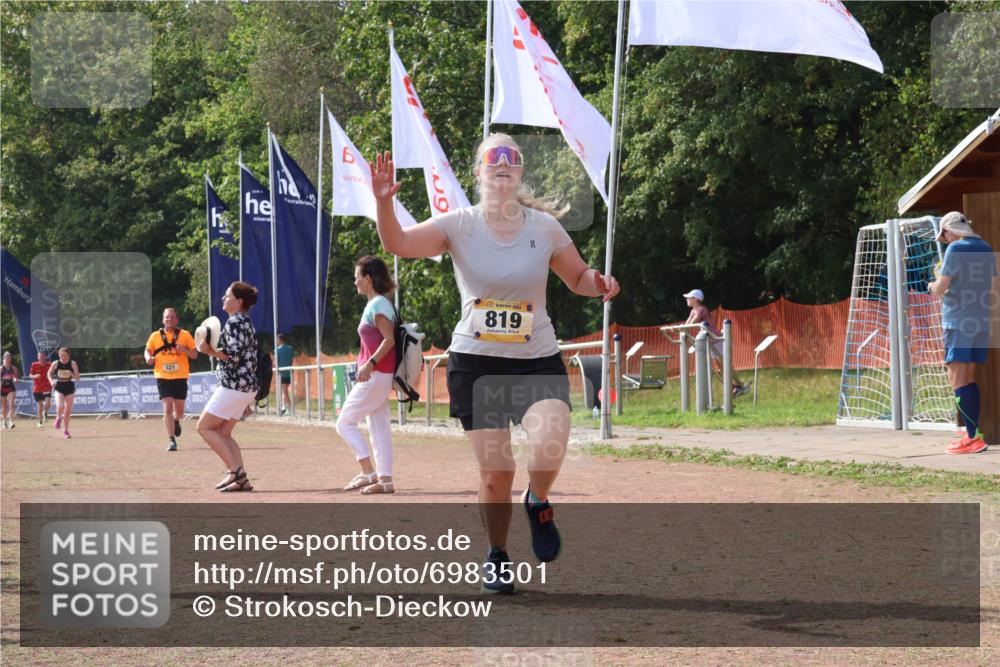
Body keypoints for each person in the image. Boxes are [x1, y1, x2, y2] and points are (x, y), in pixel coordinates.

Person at [370, 133, 620, 594]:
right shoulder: (459, 224)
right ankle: (498, 554)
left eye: (512, 157)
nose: (503, 162)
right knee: (498, 471)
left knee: (550, 443)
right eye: (493, 157)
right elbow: (398, 242)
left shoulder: (545, 228)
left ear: (520, 172)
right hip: (476, 364)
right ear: (479, 171)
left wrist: (598, 283)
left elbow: (578, 277)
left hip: (536, 358)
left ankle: (538, 501)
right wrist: (384, 202)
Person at [928, 211, 997, 455]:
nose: (945, 240)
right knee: (969, 377)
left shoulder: (955, 249)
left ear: (950, 230)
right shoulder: (986, 248)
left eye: (944, 235)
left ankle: (972, 438)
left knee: (957, 379)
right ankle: (972, 433)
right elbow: (992, 286)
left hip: (958, 321)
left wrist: (933, 285)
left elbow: (941, 287)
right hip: (981, 322)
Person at [336, 256, 397, 495]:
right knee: (379, 428)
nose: (355, 282)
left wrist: (369, 364)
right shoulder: (380, 303)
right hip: (381, 374)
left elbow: (389, 339)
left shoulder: (377, 304)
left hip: (376, 374)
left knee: (344, 422)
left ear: (368, 279)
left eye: (357, 277)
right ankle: (385, 479)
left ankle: (368, 471)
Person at [196, 281, 259, 492]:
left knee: (204, 427)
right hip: (244, 387)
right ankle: (241, 479)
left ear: (238, 301)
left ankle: (235, 472)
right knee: (223, 433)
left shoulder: (234, 322)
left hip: (234, 386)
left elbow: (233, 356)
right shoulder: (245, 321)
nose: (223, 299)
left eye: (227, 296)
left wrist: (207, 350)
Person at [144, 308, 198, 451]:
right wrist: (148, 358)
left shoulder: (185, 335)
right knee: (167, 407)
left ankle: (176, 420)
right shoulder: (155, 336)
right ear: (163, 320)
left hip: (180, 376)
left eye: (172, 317)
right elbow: (147, 350)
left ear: (177, 320)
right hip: (162, 376)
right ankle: (171, 440)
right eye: (167, 317)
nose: (169, 319)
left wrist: (185, 350)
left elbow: (194, 355)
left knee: (179, 411)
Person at [683, 289, 749, 397]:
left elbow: (691, 324)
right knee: (719, 366)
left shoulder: (701, 310)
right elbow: (686, 325)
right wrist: (679, 330)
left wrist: (681, 329)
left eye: (689, 297)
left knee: (725, 364)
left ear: (695, 299)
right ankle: (734, 386)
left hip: (716, 339)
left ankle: (740, 385)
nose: (687, 299)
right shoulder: (693, 311)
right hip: (709, 341)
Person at [47, 347, 80, 438]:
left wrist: (71, 374)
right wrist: (51, 381)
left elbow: (77, 378)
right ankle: (58, 417)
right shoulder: (55, 363)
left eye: (65, 356)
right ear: (59, 355)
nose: (63, 358)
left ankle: (66, 431)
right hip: (59, 387)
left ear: (69, 355)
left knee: (68, 410)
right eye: (61, 356)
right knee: (60, 406)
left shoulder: (73, 363)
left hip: (69, 387)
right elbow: (49, 373)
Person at [29, 351, 52, 428]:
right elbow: (30, 375)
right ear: (37, 357)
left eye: (42, 356)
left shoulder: (49, 364)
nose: (41, 358)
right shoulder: (34, 364)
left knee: (48, 402)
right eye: (39, 356)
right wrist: (35, 376)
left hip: (47, 386)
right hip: (37, 388)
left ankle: (45, 412)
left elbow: (53, 373)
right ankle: (40, 422)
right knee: (40, 405)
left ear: (45, 357)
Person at [275, 333, 294, 416]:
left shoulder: (277, 350)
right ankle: (284, 407)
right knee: (285, 391)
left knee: (285, 391)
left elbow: (276, 362)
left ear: (280, 339)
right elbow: (291, 360)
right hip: (289, 373)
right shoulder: (290, 348)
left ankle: (288, 409)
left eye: (277, 339)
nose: (276, 341)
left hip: (281, 374)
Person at [1, 351, 18, 429]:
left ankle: (11, 421)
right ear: (3, 359)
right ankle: (4, 420)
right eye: (6, 358)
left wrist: (15, 379)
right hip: (2, 388)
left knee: (12, 405)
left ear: (11, 359)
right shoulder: (1, 368)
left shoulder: (13, 368)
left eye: (9, 358)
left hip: (11, 388)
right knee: (4, 406)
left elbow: (15, 377)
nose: (8, 360)